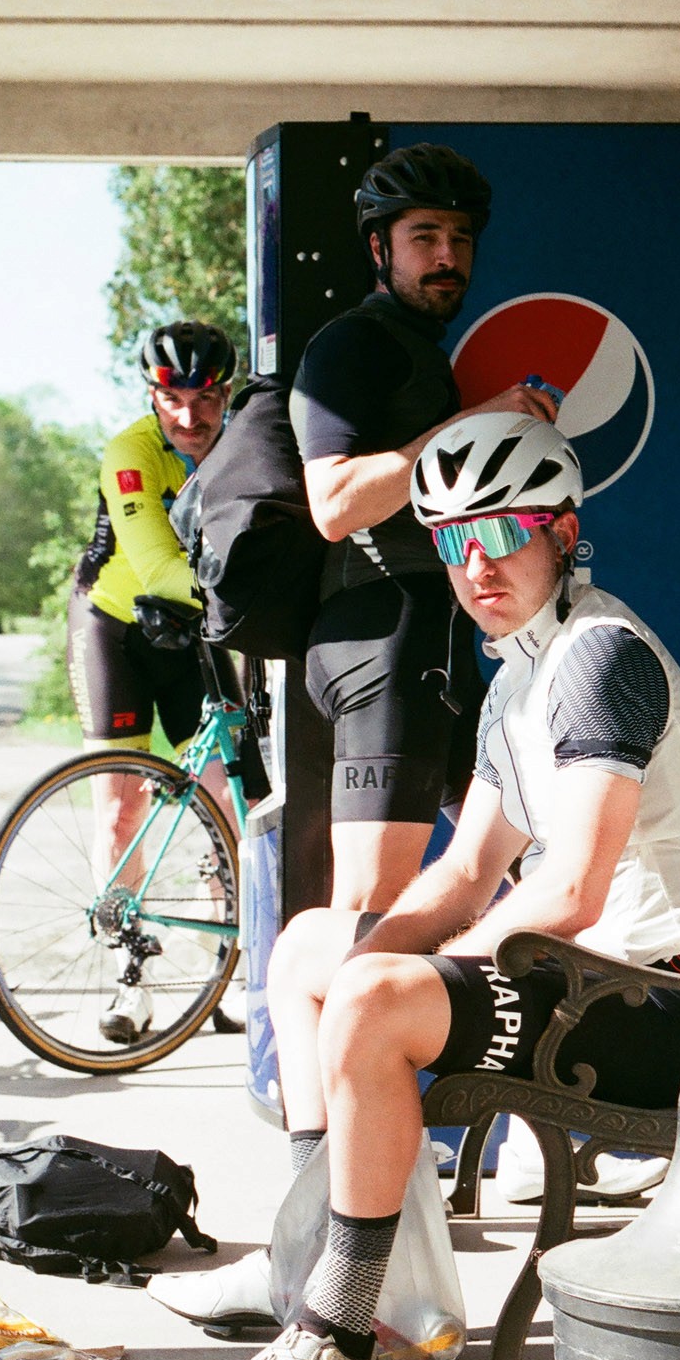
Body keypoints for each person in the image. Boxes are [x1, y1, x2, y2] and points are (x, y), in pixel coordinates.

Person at [152, 411, 680, 1360]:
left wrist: (401, 976)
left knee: (373, 1002)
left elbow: (573, 891)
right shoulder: (519, 678)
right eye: (452, 539)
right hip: (604, 979)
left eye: (503, 531)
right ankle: (321, 1266)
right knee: (310, 947)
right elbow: (463, 871)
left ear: (563, 534)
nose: (477, 563)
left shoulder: (599, 658)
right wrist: (375, 953)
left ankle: (338, 1335)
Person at [289, 142, 557, 914]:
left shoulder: (415, 352)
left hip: (432, 647)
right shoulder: (352, 343)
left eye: (460, 239)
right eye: (425, 237)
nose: (447, 257)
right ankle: (343, 1000)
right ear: (379, 249)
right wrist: (471, 423)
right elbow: (334, 505)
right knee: (370, 907)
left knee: (524, 870)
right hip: (387, 641)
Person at [66, 318, 236, 1041]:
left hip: (192, 633)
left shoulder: (243, 442)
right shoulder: (130, 452)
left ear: (226, 395)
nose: (190, 418)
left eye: (206, 399)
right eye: (173, 400)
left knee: (226, 799)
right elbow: (159, 564)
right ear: (151, 396)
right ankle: (128, 980)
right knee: (120, 811)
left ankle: (220, 963)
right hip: (116, 627)